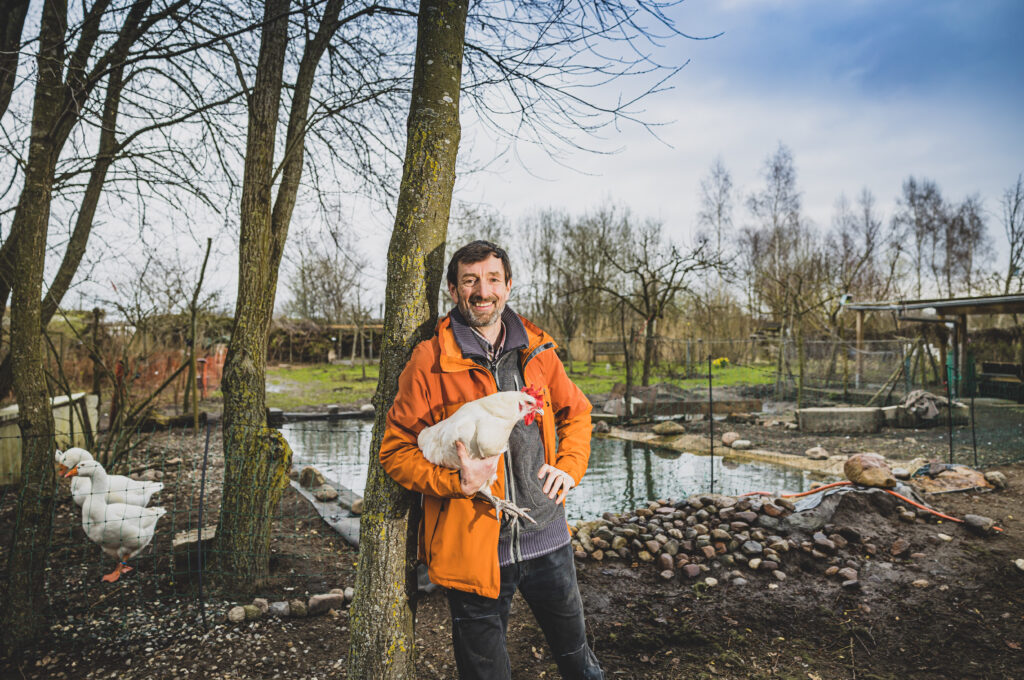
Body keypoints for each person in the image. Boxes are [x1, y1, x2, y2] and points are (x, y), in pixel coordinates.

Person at [379, 240, 604, 680]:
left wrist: (570, 467)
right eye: (470, 281)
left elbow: (576, 412)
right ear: (453, 289)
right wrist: (456, 483)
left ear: (508, 285)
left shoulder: (537, 349)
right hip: (474, 548)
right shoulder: (428, 362)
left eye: (492, 279)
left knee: (580, 664)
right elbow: (396, 451)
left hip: (548, 538)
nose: (483, 291)